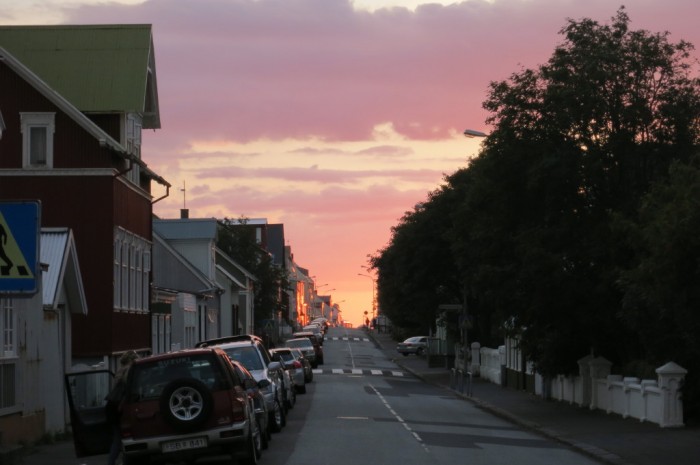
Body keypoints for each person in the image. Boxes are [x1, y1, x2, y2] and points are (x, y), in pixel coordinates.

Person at [106, 350, 139, 465]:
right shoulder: (130, 370)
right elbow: (127, 391)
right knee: (123, 437)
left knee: (118, 437)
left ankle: (113, 462)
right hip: (120, 406)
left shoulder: (120, 370)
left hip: (111, 405)